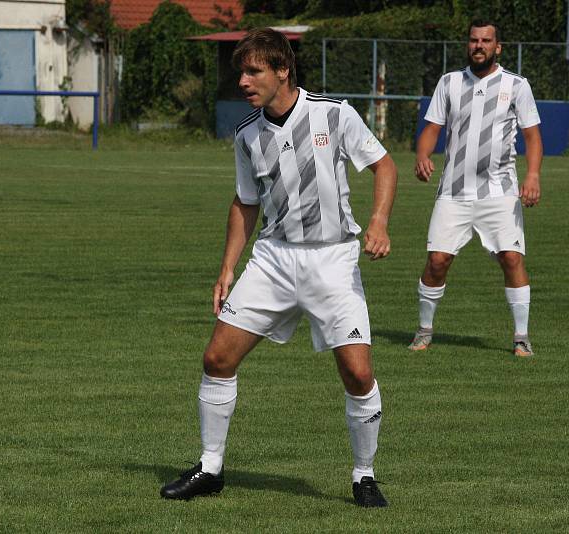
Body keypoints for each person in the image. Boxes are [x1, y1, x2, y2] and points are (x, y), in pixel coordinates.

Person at [159, 28, 398, 507]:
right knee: (217, 359)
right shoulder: (247, 135)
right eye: (241, 73)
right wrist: (228, 267)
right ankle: (210, 468)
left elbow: (385, 166)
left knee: (356, 372)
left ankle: (364, 475)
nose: (244, 81)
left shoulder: (334, 114)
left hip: (332, 259)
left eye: (254, 71)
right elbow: (245, 203)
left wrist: (378, 222)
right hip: (273, 259)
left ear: (283, 70)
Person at [409, 20, 543, 357]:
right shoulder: (449, 82)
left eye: (486, 40)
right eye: (473, 40)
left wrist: (533, 175)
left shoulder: (516, 85)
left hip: (500, 193)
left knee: (512, 258)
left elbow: (532, 136)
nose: (478, 45)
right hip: (453, 192)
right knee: (437, 261)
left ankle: (521, 337)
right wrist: (423, 153)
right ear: (467, 45)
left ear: (498, 47)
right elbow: (432, 127)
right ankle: (424, 330)